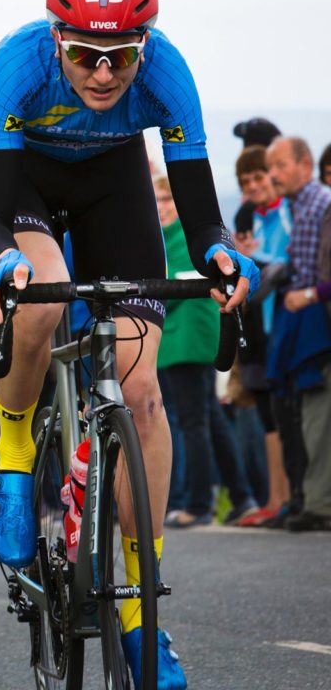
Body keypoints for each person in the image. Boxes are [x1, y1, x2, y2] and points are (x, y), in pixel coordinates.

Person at [0, 0, 258, 689]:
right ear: (57, 40)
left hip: (112, 184)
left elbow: (203, 221)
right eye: (85, 55)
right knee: (45, 291)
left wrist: (221, 255)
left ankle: (139, 610)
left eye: (122, 55)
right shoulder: (17, 63)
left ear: (145, 45)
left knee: (142, 394)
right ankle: (13, 451)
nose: (103, 74)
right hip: (25, 184)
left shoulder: (169, 74)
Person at [154, 176, 258, 529]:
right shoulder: (167, 237)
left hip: (189, 341)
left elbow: (168, 288)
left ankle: (198, 504)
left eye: (168, 199)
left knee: (192, 423)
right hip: (180, 341)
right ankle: (241, 497)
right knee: (209, 420)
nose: (162, 207)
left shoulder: (187, 238)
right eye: (157, 200)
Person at [267, 137, 331, 532]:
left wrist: (306, 295)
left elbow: (316, 276)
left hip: (318, 319)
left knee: (317, 415)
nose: (273, 175)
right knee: (308, 414)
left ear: (305, 164)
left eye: (280, 165)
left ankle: (319, 503)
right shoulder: (301, 206)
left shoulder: (320, 204)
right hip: (309, 320)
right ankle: (310, 498)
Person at [231, 146, 293, 526]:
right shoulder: (247, 217)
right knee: (269, 415)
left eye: (258, 177)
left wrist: (253, 261)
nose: (253, 186)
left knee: (287, 415)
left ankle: (290, 499)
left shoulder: (288, 211)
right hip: (257, 331)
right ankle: (276, 500)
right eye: (246, 182)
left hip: (286, 325)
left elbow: (287, 263)